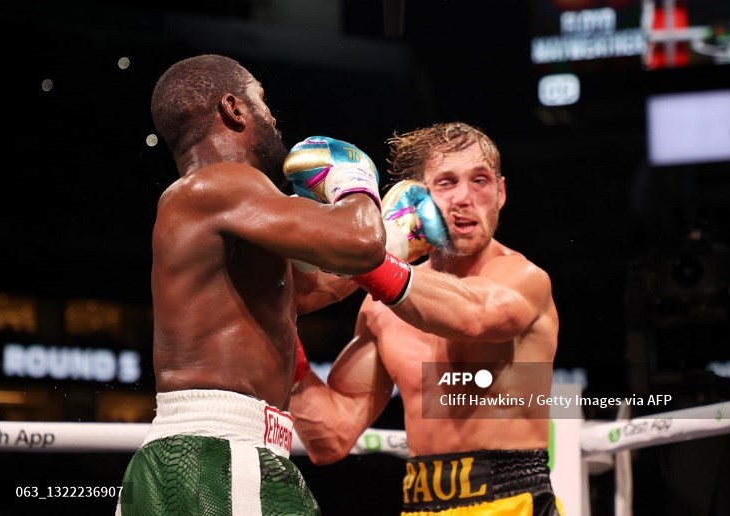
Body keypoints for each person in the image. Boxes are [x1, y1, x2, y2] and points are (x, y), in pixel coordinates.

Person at [115, 53, 401, 515]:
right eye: (262, 101)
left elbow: (306, 291)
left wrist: (399, 244)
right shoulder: (222, 184)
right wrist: (351, 178)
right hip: (221, 458)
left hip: (201, 455)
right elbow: (361, 240)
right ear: (234, 108)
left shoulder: (211, 202)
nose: (273, 117)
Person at [290, 122, 564, 515]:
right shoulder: (380, 309)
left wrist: (365, 253)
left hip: (513, 500)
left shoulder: (523, 279)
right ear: (416, 195)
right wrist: (279, 334)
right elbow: (329, 437)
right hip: (420, 504)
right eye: (447, 182)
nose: (465, 198)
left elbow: (472, 317)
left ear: (501, 193)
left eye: (481, 181)